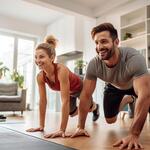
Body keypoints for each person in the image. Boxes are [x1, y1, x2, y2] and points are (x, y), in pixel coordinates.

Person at [71, 23, 150, 149]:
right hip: (114, 85)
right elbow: (85, 95)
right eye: (96, 43)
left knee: (144, 98)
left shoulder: (133, 58)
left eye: (104, 41)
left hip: (136, 84)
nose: (99, 47)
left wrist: (134, 134)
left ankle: (131, 96)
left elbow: (145, 95)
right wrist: (80, 127)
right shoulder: (94, 64)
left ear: (116, 42)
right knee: (110, 120)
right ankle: (128, 99)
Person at [26, 35, 99, 138]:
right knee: (72, 113)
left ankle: (95, 107)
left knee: (88, 107)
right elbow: (43, 101)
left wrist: (61, 130)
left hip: (80, 87)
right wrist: (41, 126)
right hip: (70, 92)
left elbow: (65, 101)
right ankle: (88, 108)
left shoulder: (61, 70)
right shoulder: (40, 77)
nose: (38, 60)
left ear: (52, 58)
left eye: (41, 57)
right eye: (36, 57)